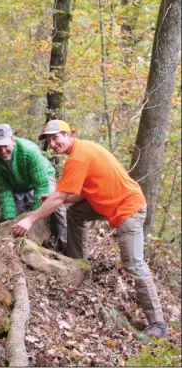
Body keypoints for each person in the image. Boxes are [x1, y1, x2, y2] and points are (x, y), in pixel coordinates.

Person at [12, 119, 169, 338]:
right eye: (49, 140)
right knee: (76, 212)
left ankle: (158, 324)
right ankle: (78, 264)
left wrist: (30, 220)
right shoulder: (82, 150)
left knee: (134, 263)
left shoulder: (78, 157)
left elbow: (59, 196)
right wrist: (60, 198)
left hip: (128, 208)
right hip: (109, 202)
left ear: (69, 134)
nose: (53, 143)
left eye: (56, 137)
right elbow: (80, 193)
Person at [0, 124, 67, 251]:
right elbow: (3, 190)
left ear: (13, 140)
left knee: (52, 203)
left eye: (5, 146)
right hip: (16, 186)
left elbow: (41, 185)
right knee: (10, 217)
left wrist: (33, 219)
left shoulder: (29, 150)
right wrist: (10, 220)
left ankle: (64, 243)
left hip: (42, 179)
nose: (2, 151)